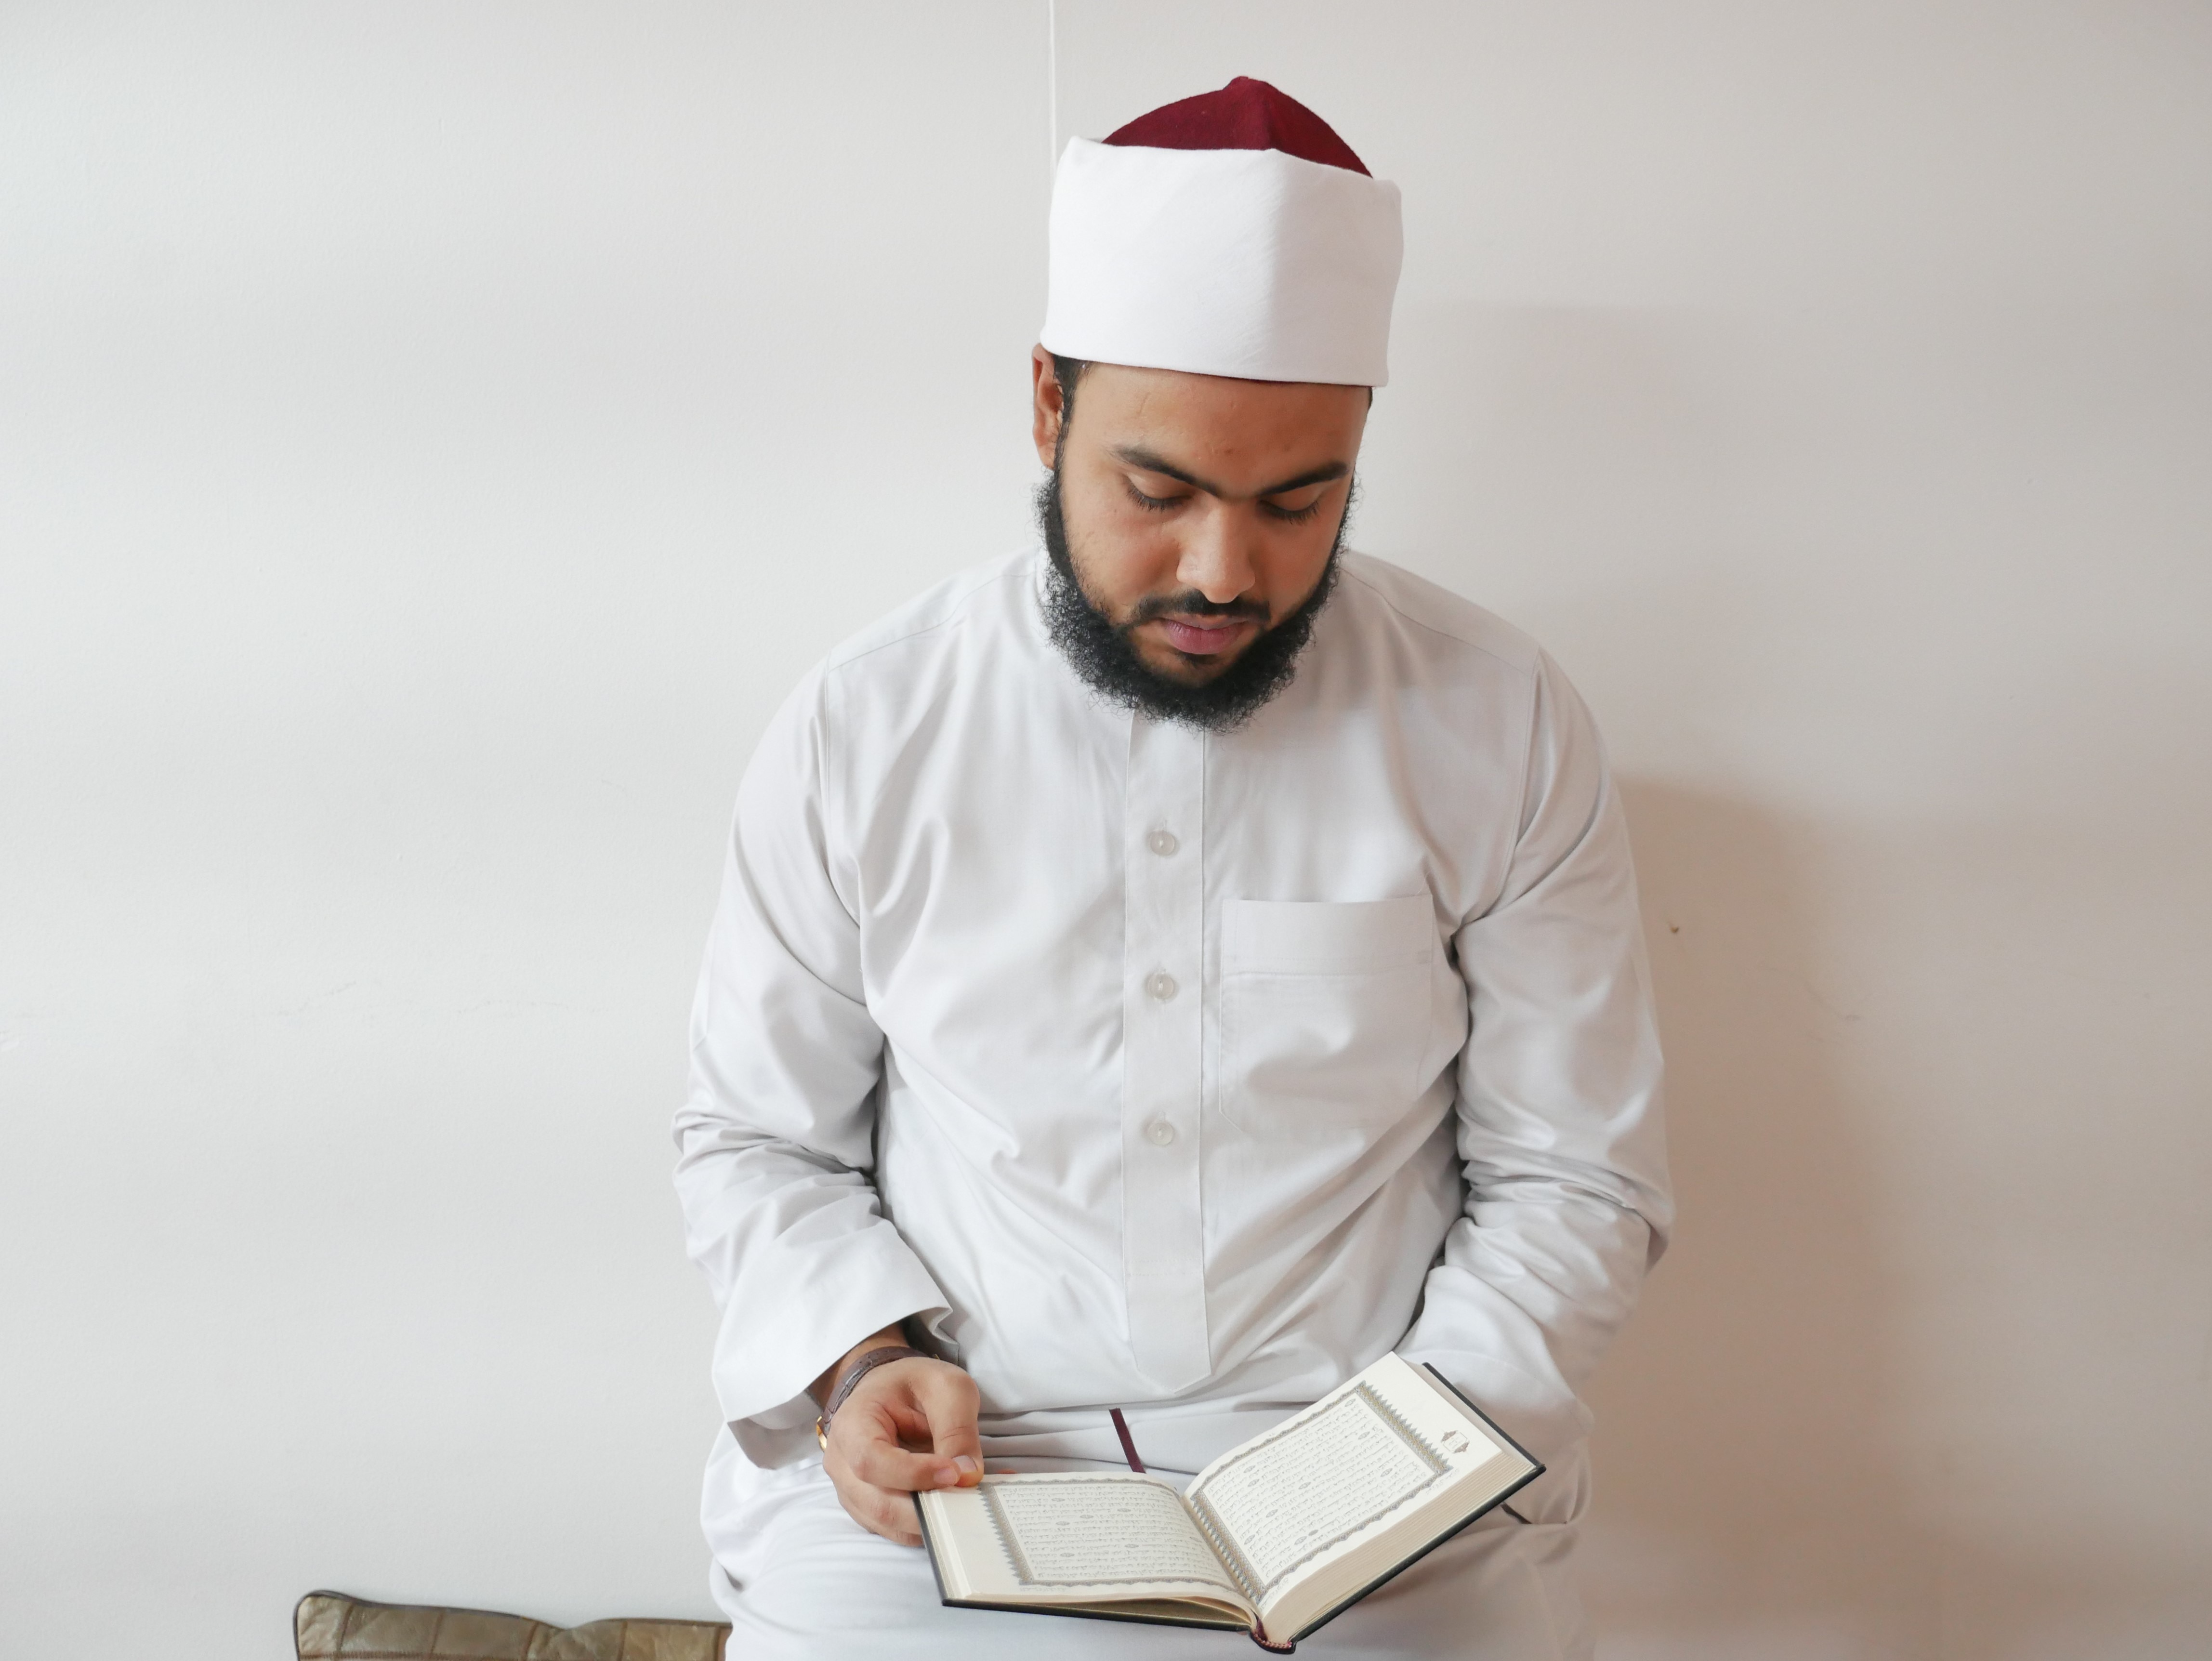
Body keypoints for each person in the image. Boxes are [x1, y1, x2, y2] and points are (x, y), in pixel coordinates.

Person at [672, 77, 1672, 1659]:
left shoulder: (1501, 718)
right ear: (1049, 410)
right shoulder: (868, 724)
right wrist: (863, 1363)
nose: (1225, 571)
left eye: (1298, 502)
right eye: (1161, 492)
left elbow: (1573, 1172)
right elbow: (755, 1137)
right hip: (953, 1478)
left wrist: (1430, 1435)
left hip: (1387, 1473)